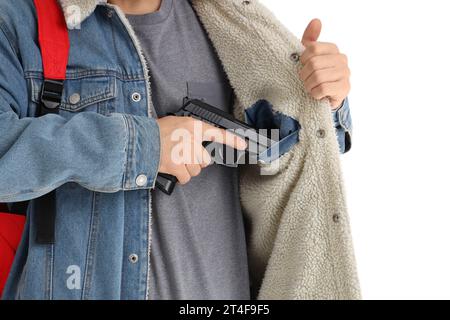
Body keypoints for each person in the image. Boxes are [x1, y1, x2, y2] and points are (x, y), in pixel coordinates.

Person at [0, 0, 355, 300]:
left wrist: (323, 101)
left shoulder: (230, 24)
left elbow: (288, 159)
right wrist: (144, 147)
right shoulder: (20, 19)